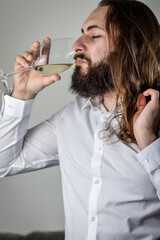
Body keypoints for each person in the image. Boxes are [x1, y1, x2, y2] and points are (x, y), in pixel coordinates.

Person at [0, 0, 160, 239]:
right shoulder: (70, 118)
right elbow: (4, 164)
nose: (76, 45)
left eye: (94, 35)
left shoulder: (155, 117)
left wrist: (148, 141)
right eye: (81, 34)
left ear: (130, 45)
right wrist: (22, 95)